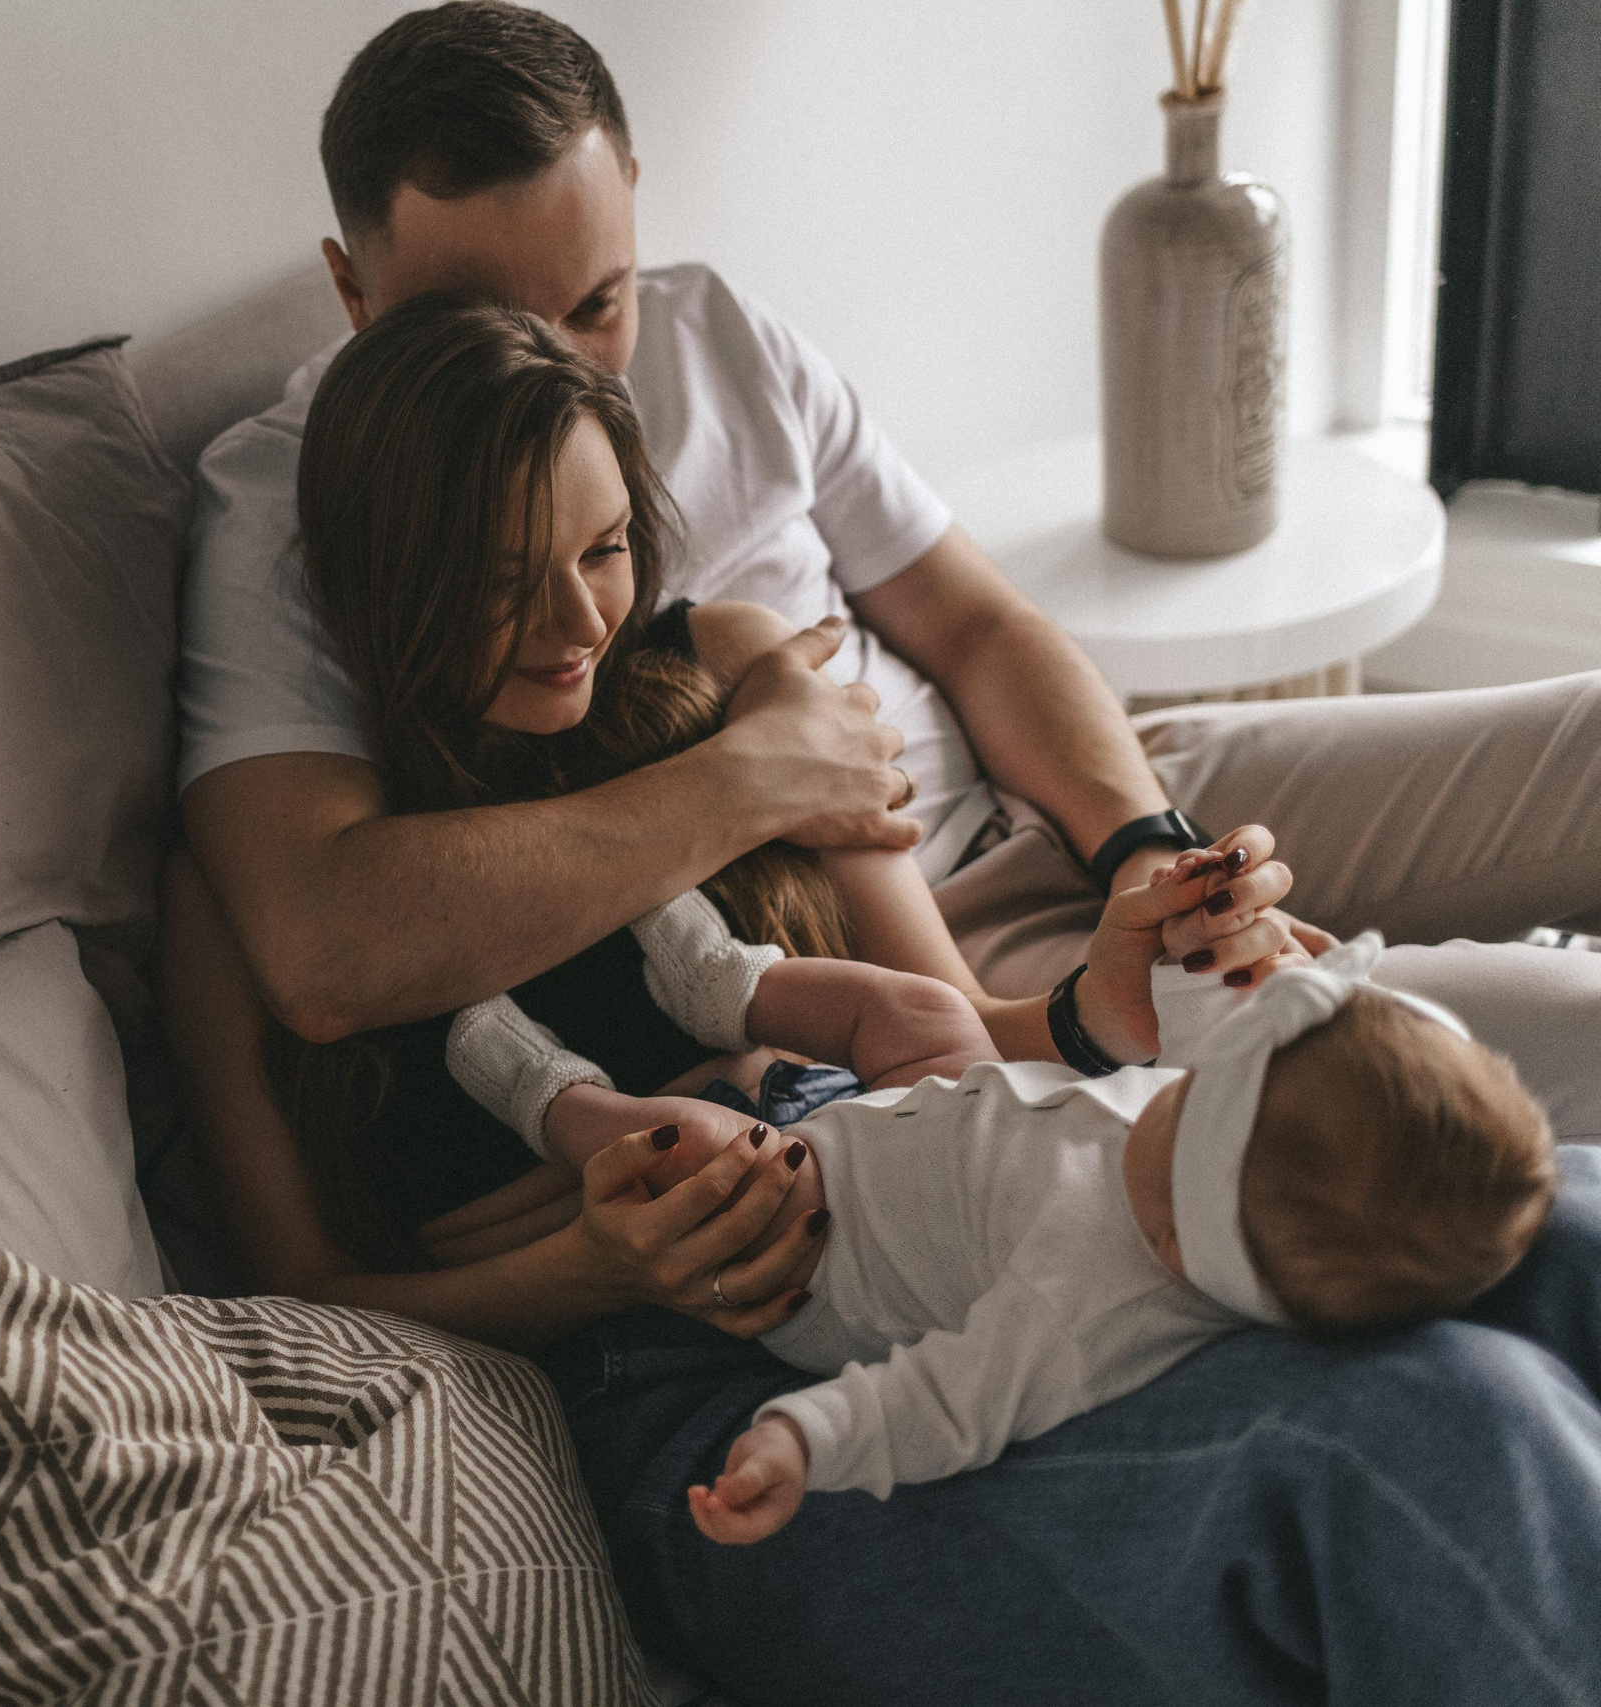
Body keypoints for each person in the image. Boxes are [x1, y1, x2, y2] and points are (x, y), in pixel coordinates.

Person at [163, 13, 1601, 1692]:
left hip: (970, 1195)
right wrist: (589, 1258)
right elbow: (307, 1272)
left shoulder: (706, 667)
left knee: (1550, 1214)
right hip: (725, 1386)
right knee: (1438, 1424)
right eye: (499, 572)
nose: (573, 609)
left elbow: (937, 1024)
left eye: (606, 544)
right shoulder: (290, 806)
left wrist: (1107, 968)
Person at [684, 931, 1558, 1547]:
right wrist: (1204, 944)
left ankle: (554, 1093)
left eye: (1182, 1103)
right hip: (943, 1115)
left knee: (688, 1145)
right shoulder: (1217, 1168)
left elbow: (943, 1402)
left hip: (828, 1231)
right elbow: (1196, 1048)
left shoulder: (1082, 1308)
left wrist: (801, 1439)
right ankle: (715, 978)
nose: (1166, 1088)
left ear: (1178, 1243)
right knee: (922, 1006)